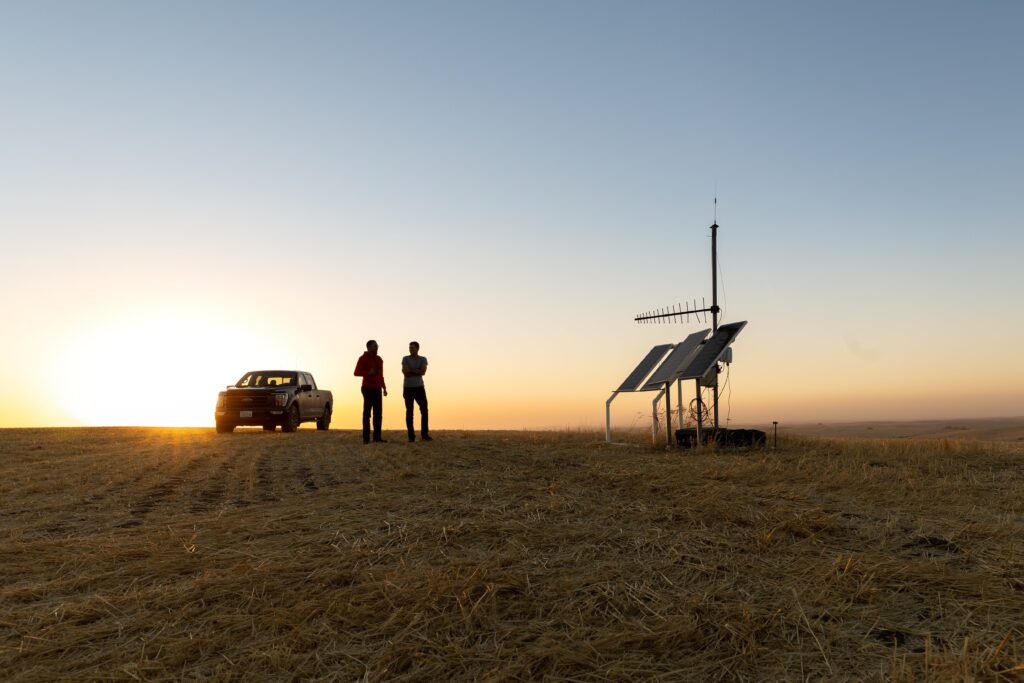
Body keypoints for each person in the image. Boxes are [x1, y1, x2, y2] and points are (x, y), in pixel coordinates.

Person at [354, 339, 387, 444]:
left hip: (377, 388)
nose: (376, 348)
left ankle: (377, 437)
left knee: (378, 413)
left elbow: (381, 375)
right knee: (367, 413)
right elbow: (356, 372)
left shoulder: (379, 359)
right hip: (367, 388)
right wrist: (368, 372)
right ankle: (366, 438)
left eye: (377, 346)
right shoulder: (362, 358)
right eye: (374, 346)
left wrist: (384, 387)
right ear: (368, 347)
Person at [401, 341, 431, 442]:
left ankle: (424, 434)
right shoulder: (405, 358)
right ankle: (411, 436)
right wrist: (416, 371)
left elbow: (423, 372)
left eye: (413, 348)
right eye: (410, 348)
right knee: (409, 412)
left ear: (418, 348)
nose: (411, 349)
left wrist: (411, 370)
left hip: (419, 388)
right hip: (408, 388)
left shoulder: (423, 359)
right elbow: (406, 372)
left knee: (424, 410)